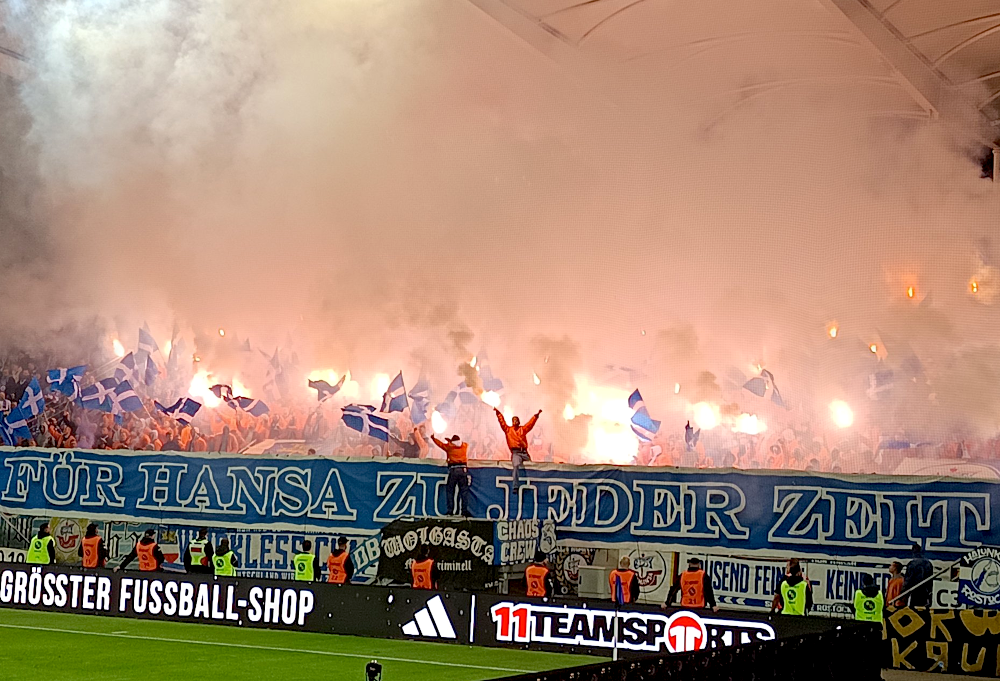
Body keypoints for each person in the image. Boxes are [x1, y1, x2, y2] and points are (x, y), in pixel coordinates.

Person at [494, 407, 542, 488]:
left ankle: (534, 484)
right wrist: (498, 413)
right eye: (513, 420)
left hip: (524, 452)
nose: (515, 422)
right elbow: (502, 422)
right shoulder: (508, 430)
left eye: (516, 420)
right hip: (516, 453)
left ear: (519, 422)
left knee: (531, 466)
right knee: (515, 465)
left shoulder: (522, 429)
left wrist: (536, 416)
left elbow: (530, 424)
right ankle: (515, 485)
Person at [431, 434, 471, 516]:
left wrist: (433, 438)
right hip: (463, 470)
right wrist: (450, 441)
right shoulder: (464, 446)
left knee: (450, 491)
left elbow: (441, 444)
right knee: (463, 492)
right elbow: (458, 444)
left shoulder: (449, 447)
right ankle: (464, 511)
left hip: (453, 470)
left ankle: (450, 511)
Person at [903, 543, 933, 607]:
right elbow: (930, 579)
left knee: (914, 609)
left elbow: (908, 579)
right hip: (925, 590)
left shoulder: (912, 564)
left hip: (915, 590)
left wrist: (904, 590)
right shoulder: (928, 563)